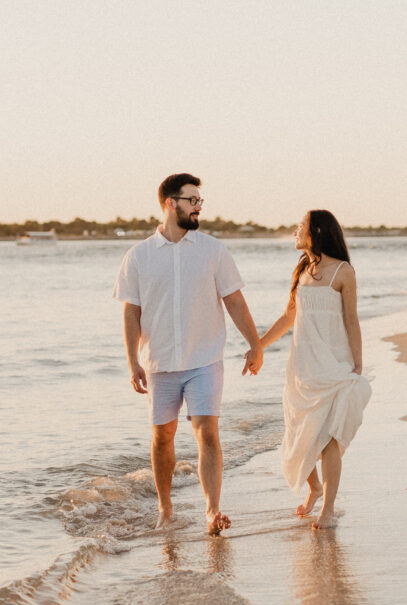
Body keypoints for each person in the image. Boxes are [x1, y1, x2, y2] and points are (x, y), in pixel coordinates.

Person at [114, 173, 263, 535]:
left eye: (200, 202)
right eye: (192, 201)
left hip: (205, 359)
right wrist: (132, 360)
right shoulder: (139, 256)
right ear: (170, 203)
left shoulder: (213, 250)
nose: (198, 207)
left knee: (207, 432)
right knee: (162, 437)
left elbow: (234, 300)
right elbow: (131, 311)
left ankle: (212, 510)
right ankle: (165, 508)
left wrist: (255, 343)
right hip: (160, 363)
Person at [248, 209, 370, 529]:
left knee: (328, 437)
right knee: (300, 429)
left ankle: (328, 508)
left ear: (315, 232)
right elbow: (288, 316)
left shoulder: (343, 272)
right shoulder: (302, 269)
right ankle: (314, 488)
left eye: (300, 227)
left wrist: (358, 363)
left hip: (334, 363)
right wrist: (258, 345)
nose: (295, 232)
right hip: (303, 365)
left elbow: (351, 320)